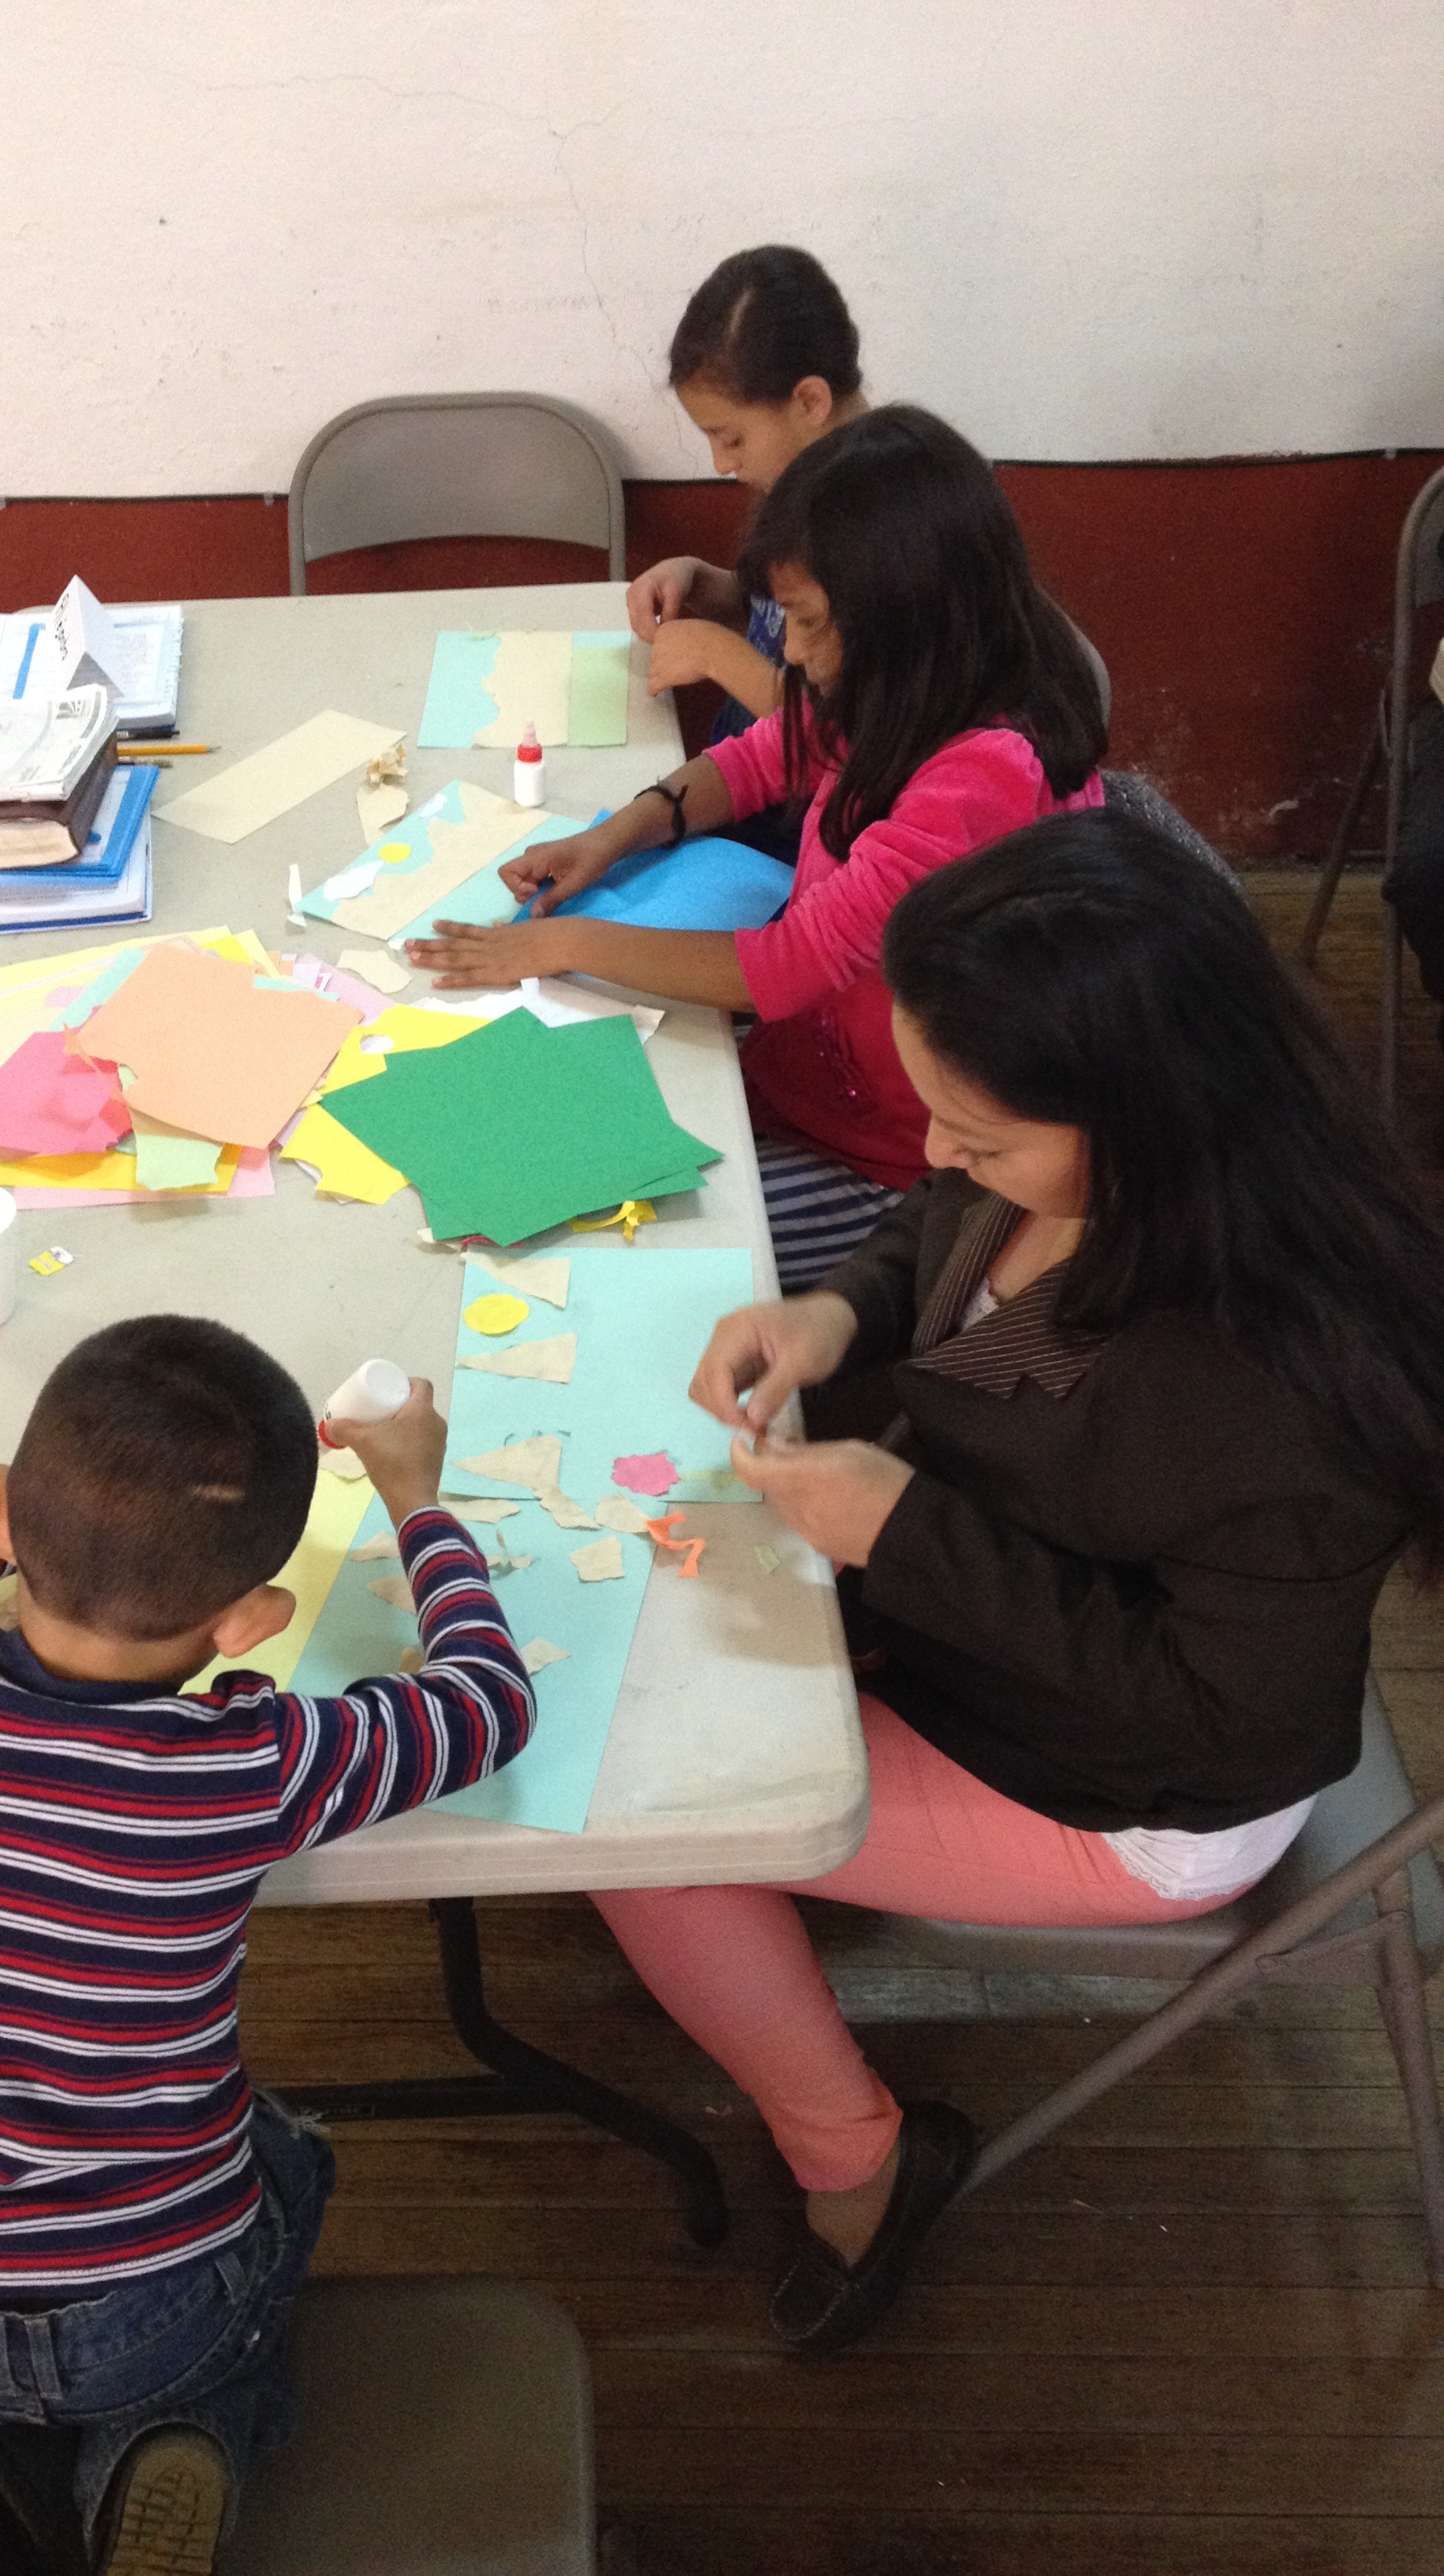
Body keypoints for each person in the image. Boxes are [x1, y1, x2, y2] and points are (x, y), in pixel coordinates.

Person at [587, 808, 1444, 2358]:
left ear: (1150, 1118)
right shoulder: (1089, 1167)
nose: (935, 1152)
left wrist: (905, 1534)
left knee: (635, 1811)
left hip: (1140, 1796)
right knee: (661, 1652)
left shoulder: (1275, 1389)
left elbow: (1225, 1723)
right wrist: (838, 1315)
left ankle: (862, 2160)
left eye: (977, 1133)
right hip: (992, 1615)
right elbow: (935, 1224)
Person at [0, 1318, 533, 2576]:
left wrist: (1, 1520)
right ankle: (183, 2433)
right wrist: (416, 1500)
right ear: (251, 1621)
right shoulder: (241, 1768)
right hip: (152, 2306)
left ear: (5, 1514)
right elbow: (488, 1702)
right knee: (291, 2166)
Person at [408, 404, 1109, 1293]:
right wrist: (612, 837)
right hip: (803, 1074)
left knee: (625, 1256)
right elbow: (763, 757)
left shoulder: (981, 780)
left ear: (902, 617)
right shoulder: (912, 689)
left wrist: (556, 943)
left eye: (810, 623)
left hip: (894, 1166)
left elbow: (789, 965)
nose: (796, 656)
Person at [629, 243, 868, 740]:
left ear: (810, 402)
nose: (721, 464)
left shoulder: (885, 525)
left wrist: (716, 656)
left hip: (804, 788)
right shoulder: (800, 485)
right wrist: (697, 579)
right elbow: (769, 613)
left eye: (733, 439)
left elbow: (848, 730)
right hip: (744, 771)